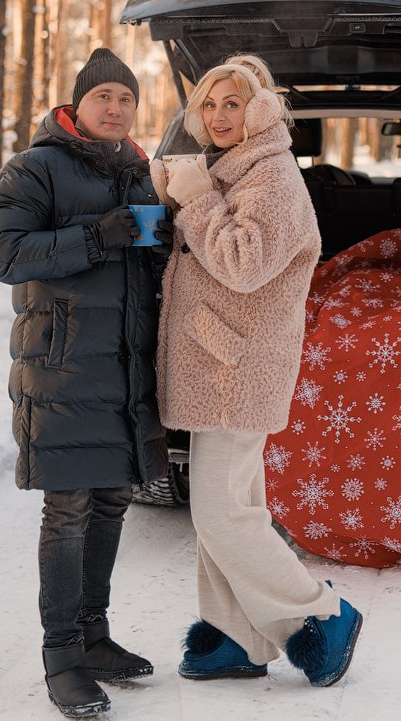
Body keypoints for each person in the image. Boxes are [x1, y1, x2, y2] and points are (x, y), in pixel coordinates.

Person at [151, 53, 363, 688]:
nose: (218, 116)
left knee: (219, 510)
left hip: (238, 365)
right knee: (235, 503)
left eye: (233, 103)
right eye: (210, 105)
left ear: (261, 110)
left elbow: (243, 262)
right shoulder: (233, 173)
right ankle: (237, 636)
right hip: (219, 360)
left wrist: (193, 200)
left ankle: (321, 614)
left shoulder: (271, 178)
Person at [0, 47, 172, 720]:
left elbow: (145, 272)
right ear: (78, 106)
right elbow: (5, 254)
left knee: (113, 501)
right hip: (60, 372)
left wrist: (160, 245)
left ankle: (94, 637)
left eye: (126, 98)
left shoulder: (139, 172)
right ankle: (61, 657)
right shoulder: (36, 168)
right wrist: (98, 236)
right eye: (104, 98)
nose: (116, 108)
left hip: (123, 373)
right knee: (67, 512)